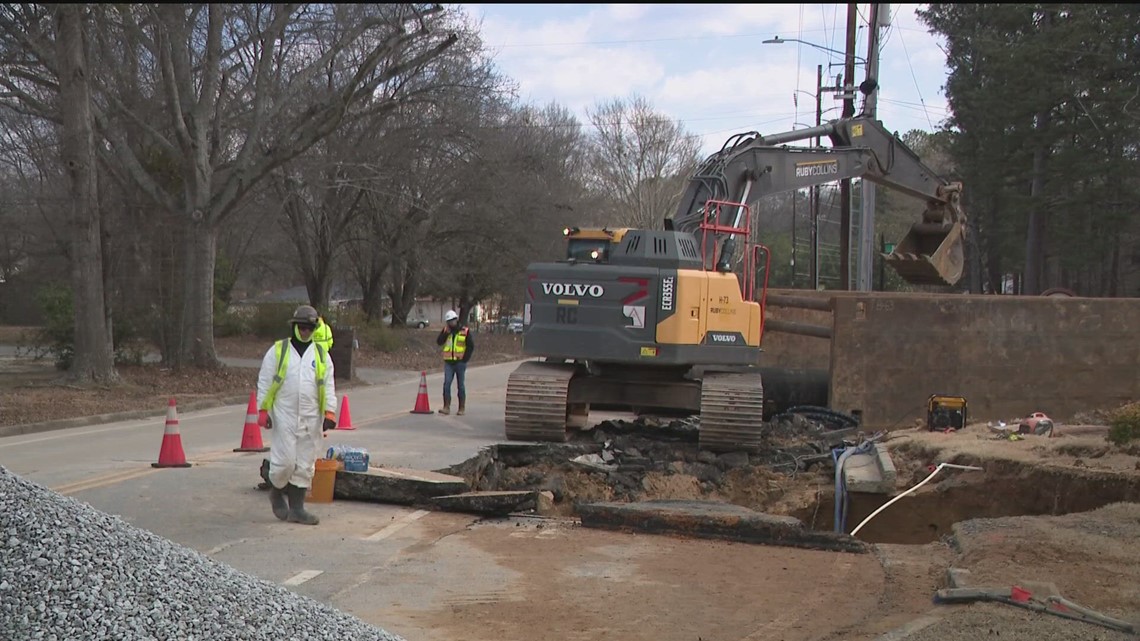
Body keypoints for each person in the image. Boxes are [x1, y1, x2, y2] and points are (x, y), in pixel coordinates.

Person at [256, 304, 337, 525]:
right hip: (285, 414)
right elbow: (264, 381)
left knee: (304, 464)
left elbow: (328, 385)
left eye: (308, 328)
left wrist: (330, 412)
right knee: (284, 463)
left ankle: (297, 509)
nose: (304, 332)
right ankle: (276, 492)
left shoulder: (321, 355)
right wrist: (262, 409)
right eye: (301, 327)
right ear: (294, 327)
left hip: (311, 418)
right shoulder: (278, 351)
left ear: (314, 329)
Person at [436, 309, 474, 415]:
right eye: (449, 321)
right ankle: (446, 406)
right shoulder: (446, 330)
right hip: (449, 362)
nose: (450, 323)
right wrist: (445, 334)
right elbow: (439, 342)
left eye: (452, 321)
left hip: (460, 362)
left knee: (460, 385)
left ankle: (461, 408)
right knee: (446, 384)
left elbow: (470, 346)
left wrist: (464, 359)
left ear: (456, 320)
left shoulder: (464, 331)